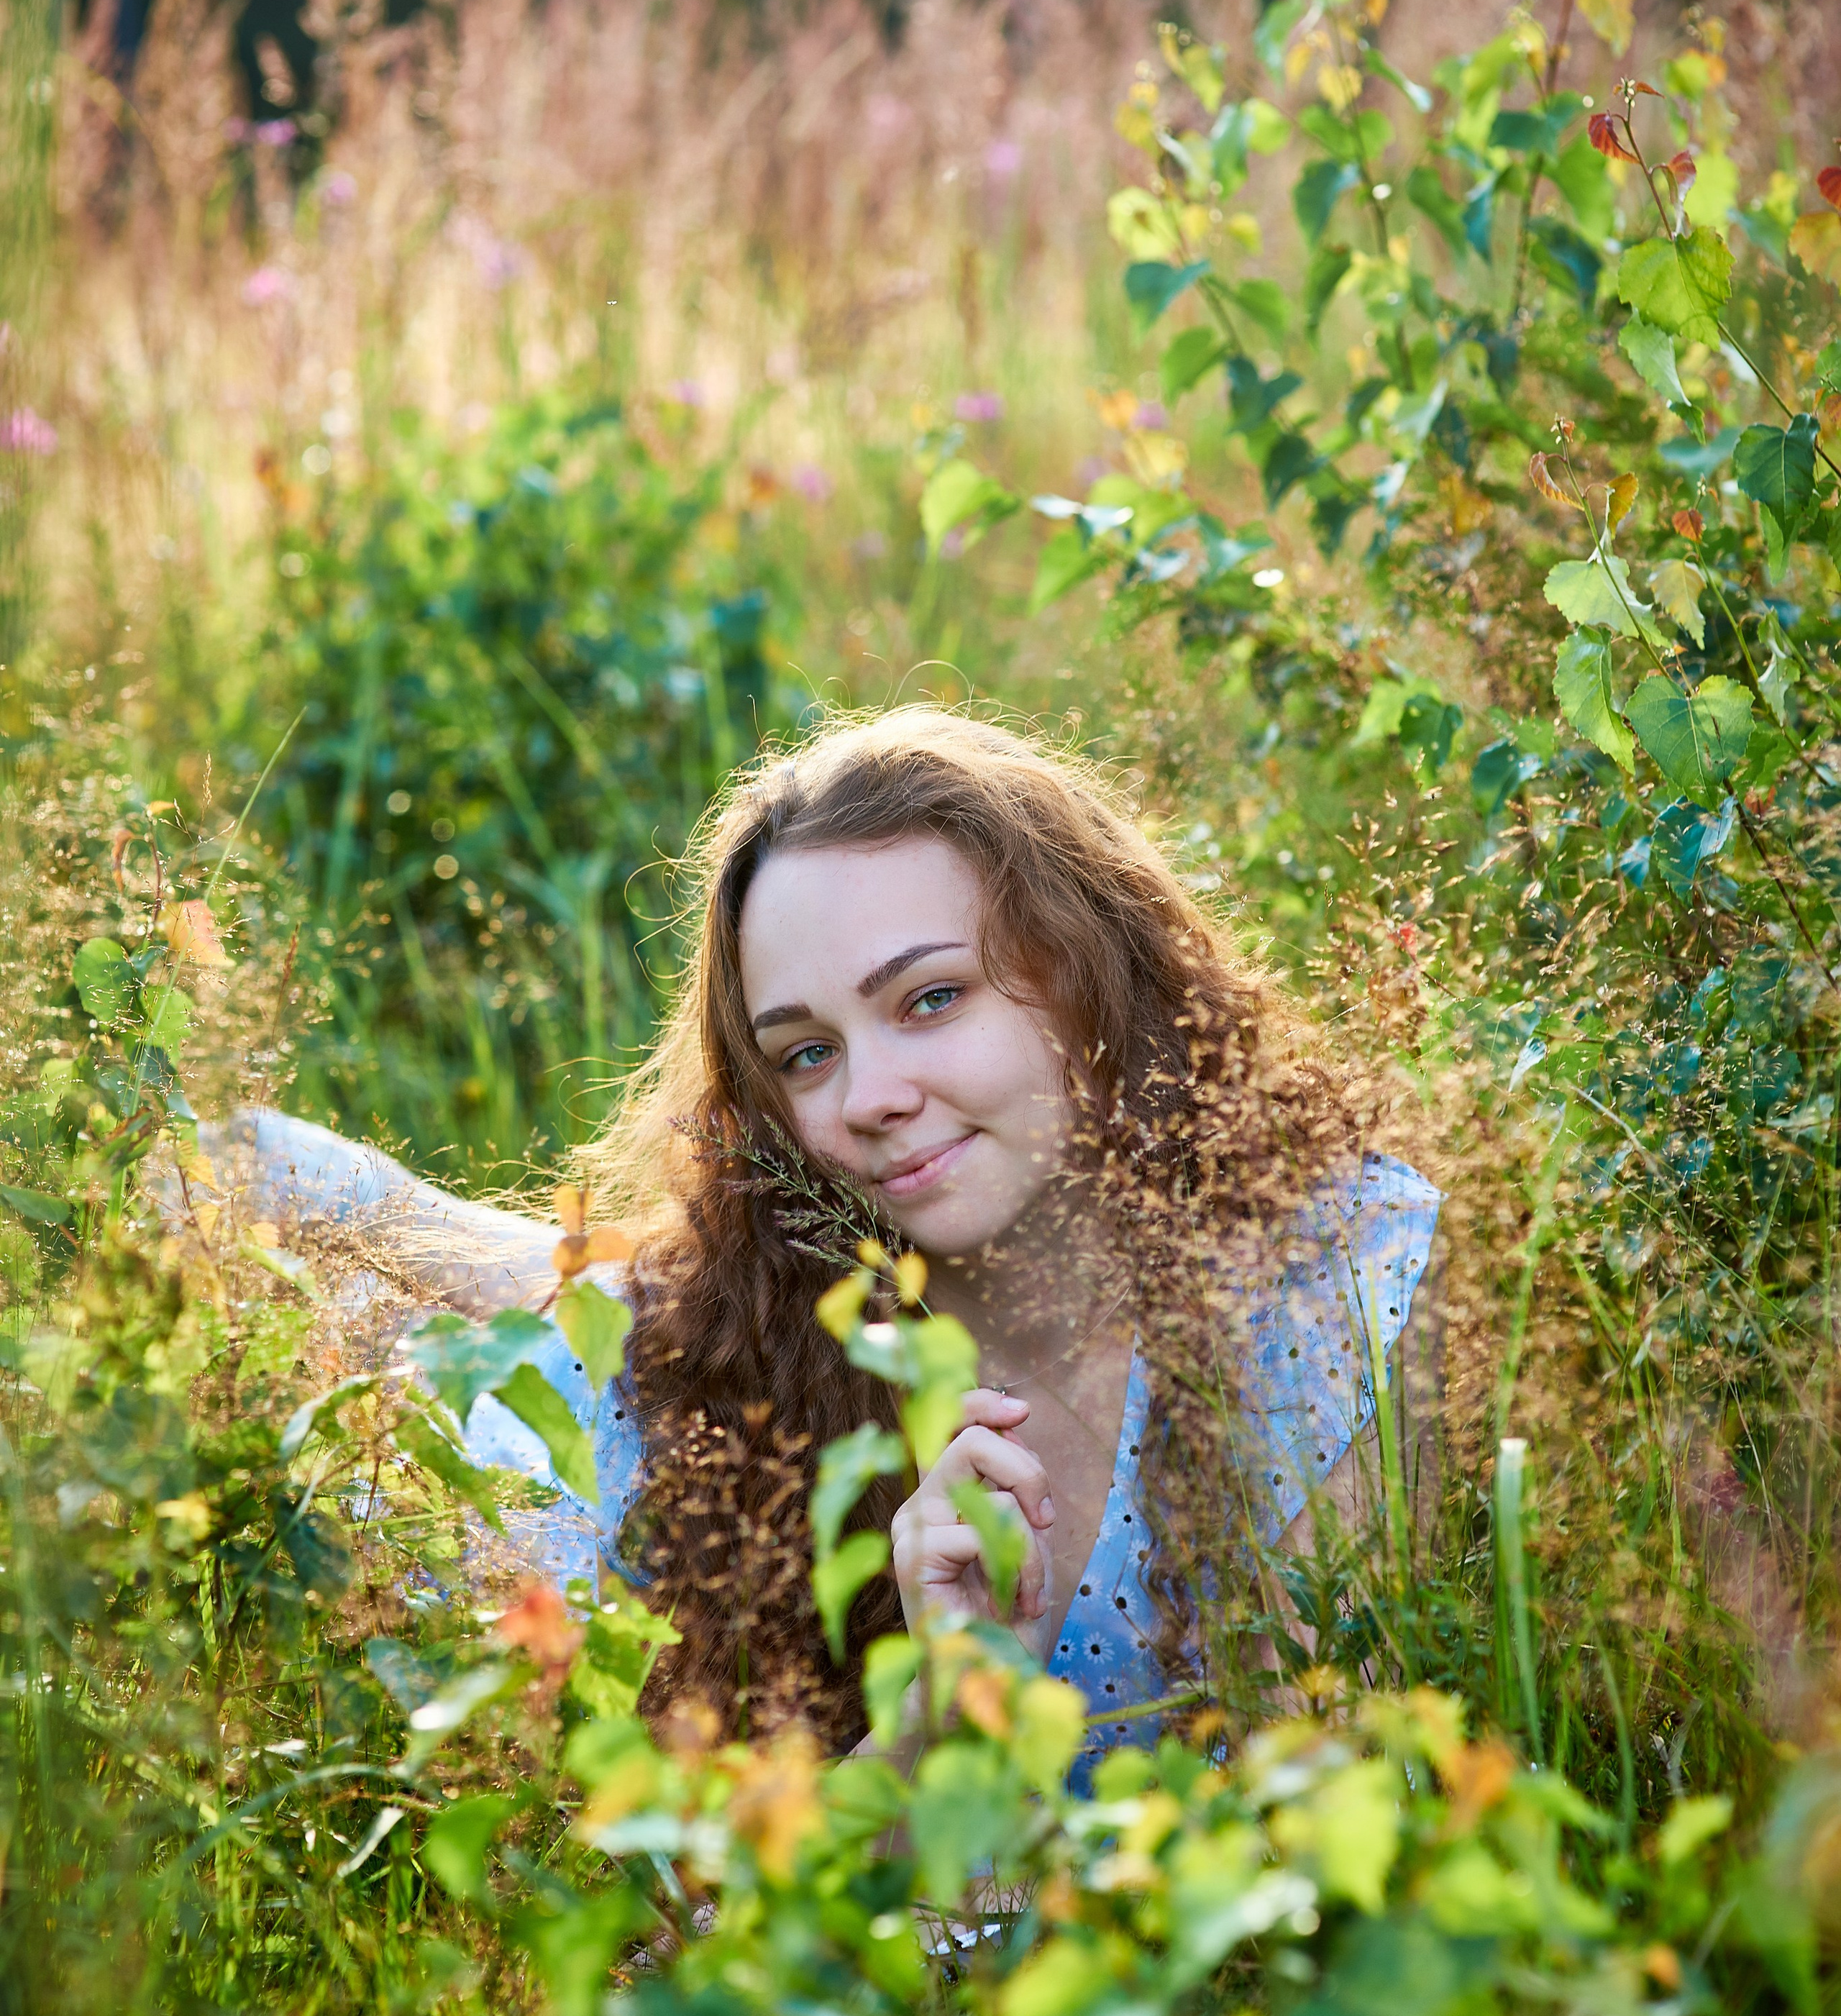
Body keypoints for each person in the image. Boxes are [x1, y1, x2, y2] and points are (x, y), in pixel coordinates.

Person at [212, 708, 1440, 1782]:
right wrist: (936, 1729)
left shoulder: (1324, 1285)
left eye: (930, 999)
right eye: (808, 1052)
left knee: (482, 1253)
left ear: (1081, 973)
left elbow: (1319, 1834)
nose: (869, 1097)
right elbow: (669, 1952)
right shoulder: (712, 1389)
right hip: (608, 1368)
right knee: (266, 1190)